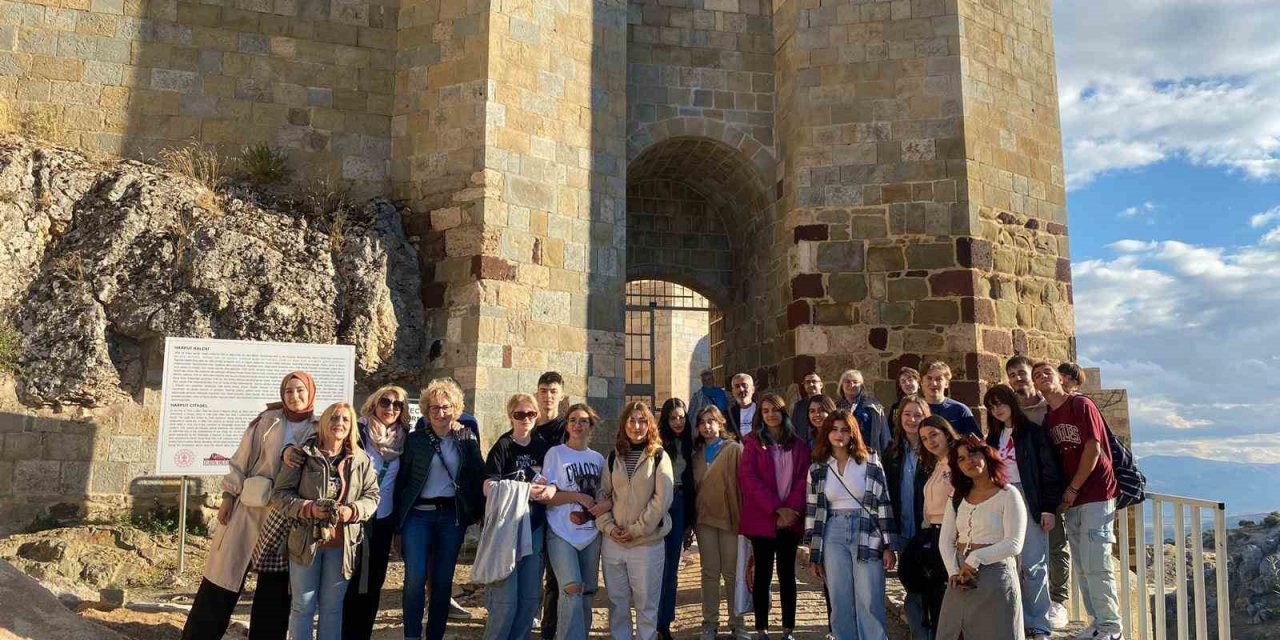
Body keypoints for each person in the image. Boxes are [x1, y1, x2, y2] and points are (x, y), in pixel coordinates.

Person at [181, 371, 318, 640]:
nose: (294, 396)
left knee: (275, 589)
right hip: (250, 507)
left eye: (300, 390)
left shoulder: (319, 426)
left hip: (287, 516)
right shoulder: (267, 421)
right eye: (289, 391)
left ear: (311, 392)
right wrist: (228, 497)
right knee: (223, 577)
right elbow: (240, 460)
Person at [273, 402, 380, 640]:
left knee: (332, 609)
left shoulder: (360, 459)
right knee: (303, 605)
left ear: (351, 425)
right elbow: (279, 495)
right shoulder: (303, 455)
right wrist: (309, 508)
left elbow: (373, 496)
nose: (339, 424)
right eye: (333, 418)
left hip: (342, 546)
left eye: (345, 419)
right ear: (323, 423)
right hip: (305, 543)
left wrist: (352, 511)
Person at [1034, 362, 1123, 640]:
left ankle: (1112, 627)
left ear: (1060, 378)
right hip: (1072, 499)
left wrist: (1072, 488)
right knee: (1083, 567)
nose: (1042, 377)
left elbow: (1093, 449)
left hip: (1096, 493)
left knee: (1098, 563)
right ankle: (1097, 622)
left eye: (1046, 372)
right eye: (1037, 376)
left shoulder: (1081, 405)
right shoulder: (1049, 419)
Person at [394, 378, 485, 640]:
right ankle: (412, 635)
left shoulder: (466, 438)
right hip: (418, 516)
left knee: (443, 582)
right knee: (415, 578)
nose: (441, 413)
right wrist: (397, 525)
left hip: (450, 517)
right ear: (426, 411)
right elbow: (404, 482)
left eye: (446, 407)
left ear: (455, 409)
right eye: (434, 408)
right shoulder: (415, 441)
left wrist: (477, 512)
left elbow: (476, 475)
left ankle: (435, 635)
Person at [804, 409, 898, 640]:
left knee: (869, 598)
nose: (839, 434)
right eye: (834, 429)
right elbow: (812, 510)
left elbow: (883, 502)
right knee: (839, 599)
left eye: (844, 430)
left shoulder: (870, 461)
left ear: (853, 433)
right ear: (826, 433)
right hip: (832, 531)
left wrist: (888, 545)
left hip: (866, 529)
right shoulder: (817, 467)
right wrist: (814, 554)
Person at [984, 384, 1062, 639]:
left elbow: (1049, 472)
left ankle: (1038, 623)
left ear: (1011, 402)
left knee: (1033, 563)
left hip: (1029, 499)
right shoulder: (993, 438)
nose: (997, 410)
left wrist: (1048, 508)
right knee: (1008, 564)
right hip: (1002, 499)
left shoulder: (1033, 432)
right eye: (991, 406)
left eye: (1000, 403)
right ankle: (1015, 621)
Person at [936, 434, 1027, 640]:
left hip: (995, 574)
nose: (969, 460)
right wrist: (953, 571)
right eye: (961, 459)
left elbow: (1014, 544)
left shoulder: (1008, 494)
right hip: (960, 575)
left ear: (986, 454)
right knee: (953, 632)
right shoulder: (957, 497)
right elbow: (945, 540)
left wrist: (975, 559)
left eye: (973, 453)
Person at [481, 393, 557, 640]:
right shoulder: (503, 446)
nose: (525, 419)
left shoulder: (544, 447)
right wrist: (524, 490)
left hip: (534, 526)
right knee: (505, 599)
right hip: (507, 529)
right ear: (510, 416)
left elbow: (555, 482)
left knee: (530, 597)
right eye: (520, 414)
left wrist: (549, 490)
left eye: (531, 414)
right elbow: (488, 485)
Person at [597, 401, 675, 640]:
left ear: (649, 424)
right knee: (617, 604)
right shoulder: (613, 457)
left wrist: (636, 530)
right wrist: (609, 528)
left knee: (646, 606)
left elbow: (661, 500)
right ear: (624, 424)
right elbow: (603, 495)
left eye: (642, 420)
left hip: (646, 543)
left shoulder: (659, 456)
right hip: (614, 543)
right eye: (632, 420)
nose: (637, 425)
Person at [738, 393, 810, 640]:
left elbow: (803, 479)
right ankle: (762, 629)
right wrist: (777, 509)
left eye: (775, 410)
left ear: (784, 413)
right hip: (763, 519)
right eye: (766, 410)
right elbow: (749, 480)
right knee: (763, 575)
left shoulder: (798, 445)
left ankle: (788, 629)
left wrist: (790, 510)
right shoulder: (752, 443)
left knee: (787, 575)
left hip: (790, 520)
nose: (770, 414)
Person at [343, 385, 412, 640]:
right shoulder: (357, 431)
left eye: (398, 405)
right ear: (374, 403)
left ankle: (362, 634)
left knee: (373, 582)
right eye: (385, 402)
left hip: (383, 520)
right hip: (354, 517)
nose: (391, 408)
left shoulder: (404, 438)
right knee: (348, 580)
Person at [1007, 357, 1068, 628]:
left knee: (1056, 545)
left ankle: (1058, 601)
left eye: (1021, 373)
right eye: (1012, 375)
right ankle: (1030, 607)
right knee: (1029, 551)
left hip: (1056, 484)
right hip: (1029, 488)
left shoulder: (1048, 408)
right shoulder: (1012, 412)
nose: (1018, 378)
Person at [543, 404, 610, 640]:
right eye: (572, 420)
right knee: (571, 587)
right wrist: (577, 497)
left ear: (591, 426)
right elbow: (547, 496)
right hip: (561, 531)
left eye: (583, 421)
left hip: (591, 533)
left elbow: (606, 495)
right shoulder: (556, 454)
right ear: (567, 425)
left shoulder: (598, 459)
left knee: (587, 591)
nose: (577, 425)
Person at [691, 406, 746, 640]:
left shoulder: (734, 450)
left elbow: (745, 485)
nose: (707, 426)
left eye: (711, 421)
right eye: (702, 422)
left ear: (720, 423)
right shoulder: (695, 455)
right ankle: (710, 623)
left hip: (730, 518)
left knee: (732, 572)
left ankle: (738, 622)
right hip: (704, 520)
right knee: (709, 572)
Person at [883, 395, 933, 640]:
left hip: (930, 531)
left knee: (934, 588)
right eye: (907, 414)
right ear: (899, 418)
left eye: (918, 414)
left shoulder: (934, 452)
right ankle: (919, 634)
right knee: (911, 585)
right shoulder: (891, 452)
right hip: (903, 530)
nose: (912, 420)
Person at [656, 398, 695, 640]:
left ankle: (664, 623)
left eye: (681, 417)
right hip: (660, 502)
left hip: (681, 503)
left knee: (671, 566)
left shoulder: (693, 443)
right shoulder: (657, 444)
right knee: (654, 565)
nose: (678, 421)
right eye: (673, 418)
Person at [534, 370, 567, 638]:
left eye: (553, 391)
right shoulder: (527, 423)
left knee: (555, 575)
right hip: (532, 509)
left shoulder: (568, 428)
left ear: (561, 395)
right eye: (544, 391)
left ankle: (550, 627)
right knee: (531, 567)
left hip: (559, 507)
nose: (548, 397)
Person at [835, 369, 890, 454]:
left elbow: (884, 434)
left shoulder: (872, 406)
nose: (851, 385)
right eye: (847, 382)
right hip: (842, 453)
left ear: (861, 386)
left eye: (855, 382)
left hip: (867, 453)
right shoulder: (835, 407)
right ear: (842, 385)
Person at [921, 362, 980, 436]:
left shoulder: (960, 410)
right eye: (929, 378)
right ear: (922, 382)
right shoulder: (915, 409)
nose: (934, 383)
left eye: (938, 379)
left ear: (946, 384)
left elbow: (976, 442)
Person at [792, 371, 824, 446]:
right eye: (807, 382)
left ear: (821, 385)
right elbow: (794, 428)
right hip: (803, 447)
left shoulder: (827, 403)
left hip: (823, 445)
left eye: (814, 381)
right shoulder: (799, 406)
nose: (811, 384)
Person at [887, 367, 921, 431]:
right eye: (903, 382)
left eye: (910, 380)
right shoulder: (896, 407)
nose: (907, 384)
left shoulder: (927, 404)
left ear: (918, 382)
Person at [726, 373, 757, 438]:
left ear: (753, 389)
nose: (741, 389)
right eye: (737, 386)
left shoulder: (762, 410)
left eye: (744, 385)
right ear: (733, 392)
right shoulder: (728, 415)